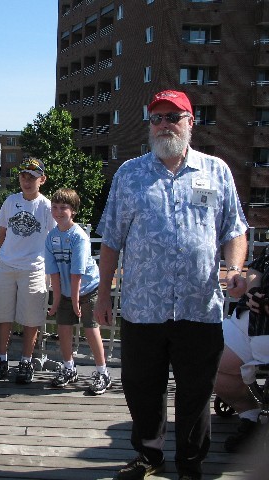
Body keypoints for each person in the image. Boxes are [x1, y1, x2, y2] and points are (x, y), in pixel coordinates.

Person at [93, 90, 248, 480]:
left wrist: (233, 268)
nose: (163, 124)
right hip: (144, 307)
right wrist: (103, 294)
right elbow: (111, 238)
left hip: (200, 306)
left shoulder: (217, 172)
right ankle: (149, 456)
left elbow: (235, 230)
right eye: (156, 117)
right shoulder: (130, 174)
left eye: (172, 117)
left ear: (190, 122)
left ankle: (190, 464)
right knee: (142, 387)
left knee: (197, 392)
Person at [0, 157, 56, 384]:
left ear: (41, 180)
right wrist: (4, 256)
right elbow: (2, 233)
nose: (27, 181)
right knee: (3, 313)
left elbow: (53, 238)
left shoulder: (47, 206)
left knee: (31, 317)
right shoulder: (10, 201)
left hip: (34, 267)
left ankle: (26, 361)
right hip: (8, 266)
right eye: (23, 176)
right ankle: (1, 358)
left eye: (32, 177)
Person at [45, 188, 111, 395]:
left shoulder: (79, 237)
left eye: (63, 208)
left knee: (90, 328)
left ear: (73, 211)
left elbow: (77, 273)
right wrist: (57, 300)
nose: (58, 212)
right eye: (54, 207)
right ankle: (68, 367)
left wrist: (75, 301)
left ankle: (102, 372)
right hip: (65, 290)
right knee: (63, 327)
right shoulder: (51, 237)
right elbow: (53, 271)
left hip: (88, 289)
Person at [214, 248, 269, 453]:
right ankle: (250, 416)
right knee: (205, 358)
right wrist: (254, 290)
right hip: (253, 322)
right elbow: (258, 265)